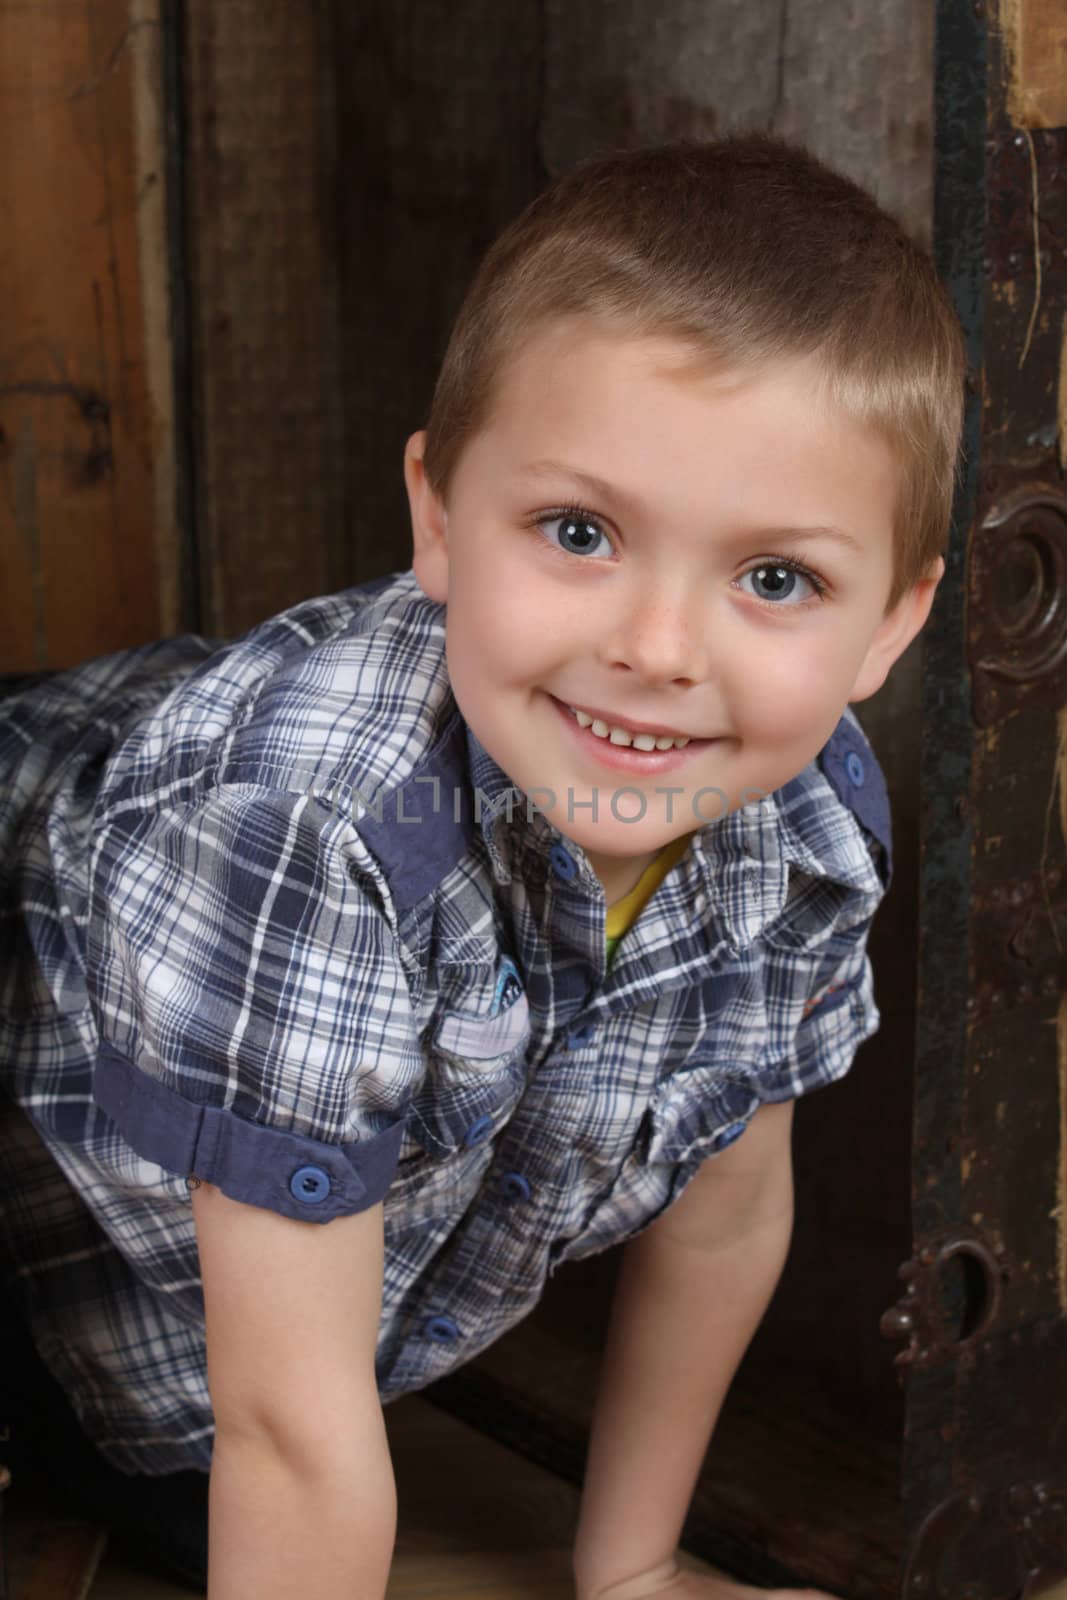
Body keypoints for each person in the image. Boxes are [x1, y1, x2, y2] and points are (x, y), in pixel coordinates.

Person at [0, 131, 964, 1599]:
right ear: (440, 518)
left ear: (892, 625)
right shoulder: (309, 834)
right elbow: (287, 1424)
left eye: (777, 579)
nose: (656, 650)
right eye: (579, 532)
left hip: (200, 1322)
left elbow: (725, 1219)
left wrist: (633, 1570)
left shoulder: (808, 827)